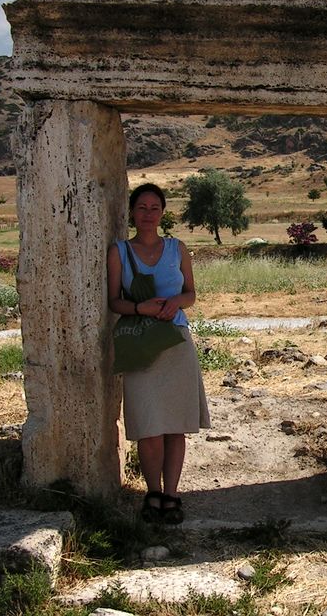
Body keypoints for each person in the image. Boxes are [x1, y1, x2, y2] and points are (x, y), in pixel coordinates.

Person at [107, 183, 210, 524]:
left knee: (175, 427)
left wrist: (175, 302)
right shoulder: (118, 251)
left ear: (163, 212)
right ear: (132, 212)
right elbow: (114, 302)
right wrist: (142, 307)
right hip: (140, 345)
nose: (148, 214)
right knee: (149, 426)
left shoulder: (177, 248)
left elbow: (191, 294)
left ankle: (172, 494)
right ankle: (152, 492)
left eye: (154, 208)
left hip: (175, 342)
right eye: (142, 207)